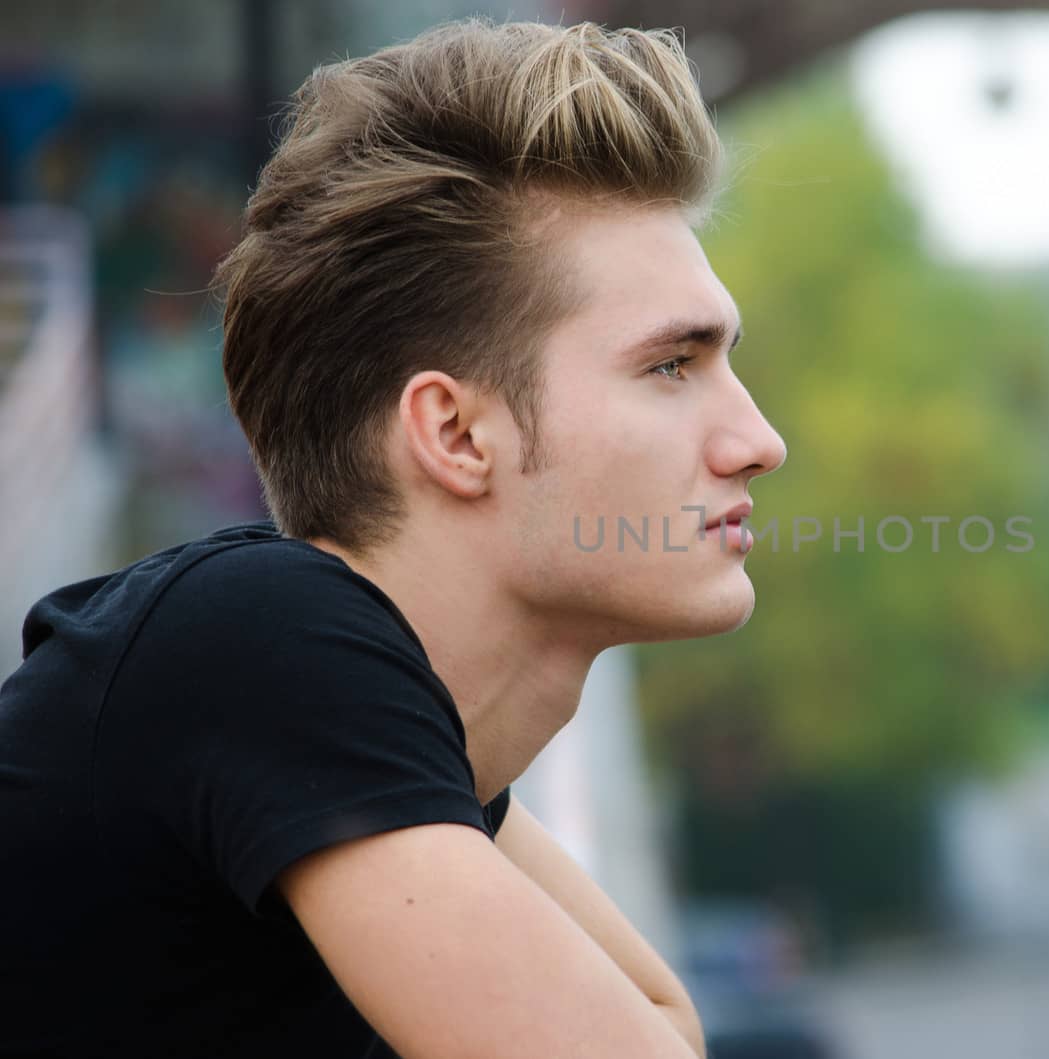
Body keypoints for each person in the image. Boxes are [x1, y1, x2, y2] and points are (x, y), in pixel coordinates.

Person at [0, 19, 785, 1059]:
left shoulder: (388, 758)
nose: (758, 442)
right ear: (455, 433)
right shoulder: (259, 641)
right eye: (671, 366)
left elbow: (664, 1033)